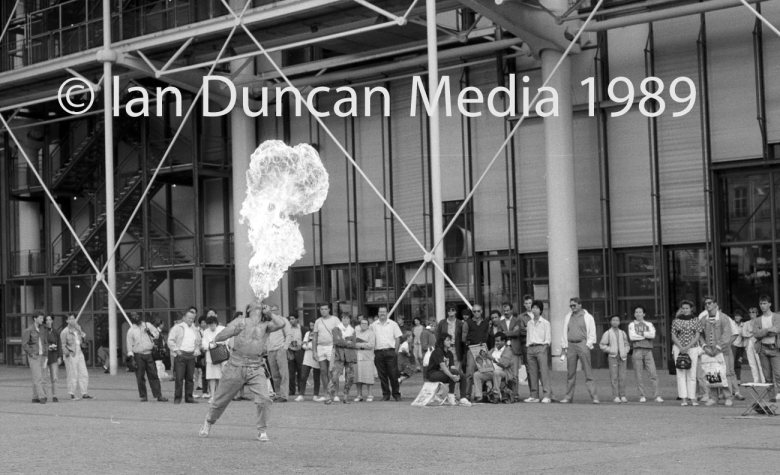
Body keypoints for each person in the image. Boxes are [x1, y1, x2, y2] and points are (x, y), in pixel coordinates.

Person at [199, 302, 287, 442]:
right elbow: (223, 334)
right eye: (256, 306)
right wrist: (230, 332)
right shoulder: (240, 321)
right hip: (236, 364)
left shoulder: (267, 325)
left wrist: (270, 314)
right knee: (221, 399)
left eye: (261, 306)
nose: (260, 306)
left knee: (264, 399)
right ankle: (208, 421)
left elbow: (281, 323)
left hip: (255, 365)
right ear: (249, 310)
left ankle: (262, 430)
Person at [560, 297, 599, 404]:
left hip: (582, 344)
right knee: (570, 373)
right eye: (571, 306)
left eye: (574, 305)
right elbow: (564, 332)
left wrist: (588, 345)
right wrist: (564, 347)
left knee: (588, 372)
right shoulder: (568, 316)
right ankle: (568, 397)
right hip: (571, 345)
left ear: (580, 305)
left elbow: (592, 332)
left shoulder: (588, 317)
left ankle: (594, 396)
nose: (572, 307)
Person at [700, 299, 735, 406]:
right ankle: (713, 397)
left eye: (710, 303)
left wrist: (718, 347)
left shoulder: (724, 318)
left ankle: (728, 397)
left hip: (722, 351)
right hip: (709, 350)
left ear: (716, 304)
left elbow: (727, 334)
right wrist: (704, 346)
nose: (707, 305)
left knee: (725, 373)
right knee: (711, 373)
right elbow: (699, 334)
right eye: (706, 303)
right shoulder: (703, 319)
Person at [126, 313, 167, 402]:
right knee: (140, 377)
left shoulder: (147, 325)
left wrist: (149, 331)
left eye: (137, 316)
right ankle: (143, 396)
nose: (136, 317)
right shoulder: (131, 331)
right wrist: (131, 358)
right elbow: (129, 347)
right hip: (138, 355)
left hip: (149, 354)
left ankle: (158, 395)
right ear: (131, 319)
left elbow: (157, 334)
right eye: (133, 317)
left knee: (154, 375)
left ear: (140, 317)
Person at [167, 306, 202, 404]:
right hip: (181, 355)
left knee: (190, 378)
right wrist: (176, 350)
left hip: (191, 356)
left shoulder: (195, 329)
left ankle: (189, 397)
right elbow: (170, 340)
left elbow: (199, 341)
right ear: (184, 318)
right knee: (179, 378)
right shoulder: (177, 327)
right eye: (189, 318)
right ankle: (177, 398)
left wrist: (197, 349)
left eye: (193, 318)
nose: (191, 320)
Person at [628, 306, 663, 403]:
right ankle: (641, 395)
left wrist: (640, 333)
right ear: (634, 314)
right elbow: (632, 337)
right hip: (637, 350)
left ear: (644, 314)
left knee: (653, 374)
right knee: (638, 374)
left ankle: (657, 396)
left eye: (640, 312)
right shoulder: (631, 324)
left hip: (648, 351)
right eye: (636, 312)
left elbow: (652, 335)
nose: (638, 314)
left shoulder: (649, 324)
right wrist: (646, 334)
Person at [671, 300, 702, 406]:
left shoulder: (696, 320)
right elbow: (673, 335)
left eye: (687, 308)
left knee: (692, 373)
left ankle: (692, 397)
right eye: (683, 308)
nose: (685, 310)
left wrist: (687, 347)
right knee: (680, 373)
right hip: (678, 348)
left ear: (691, 309)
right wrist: (681, 347)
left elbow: (697, 335)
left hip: (692, 348)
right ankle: (683, 398)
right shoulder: (676, 320)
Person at [436, 304, 468, 403]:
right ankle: (441, 394)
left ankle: (455, 394)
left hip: (456, 350)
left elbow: (463, 338)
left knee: (456, 372)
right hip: (445, 350)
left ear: (456, 311)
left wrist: (464, 352)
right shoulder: (442, 323)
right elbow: (438, 336)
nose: (451, 311)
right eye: (449, 310)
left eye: (453, 309)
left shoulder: (460, 323)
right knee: (443, 370)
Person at [371, 305, 403, 401]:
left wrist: (395, 351)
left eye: (384, 312)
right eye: (380, 312)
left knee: (393, 375)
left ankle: (396, 394)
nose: (382, 313)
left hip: (390, 351)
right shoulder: (373, 325)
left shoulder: (393, 324)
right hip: (378, 352)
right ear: (378, 313)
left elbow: (398, 338)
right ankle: (386, 395)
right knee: (382, 375)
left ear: (387, 313)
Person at [426, 334, 466, 406]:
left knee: (462, 376)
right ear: (442, 342)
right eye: (447, 340)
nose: (450, 342)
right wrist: (452, 376)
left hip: (444, 373)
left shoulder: (450, 353)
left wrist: (457, 375)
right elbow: (443, 366)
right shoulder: (437, 351)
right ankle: (451, 396)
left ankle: (463, 398)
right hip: (433, 374)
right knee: (453, 373)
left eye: (450, 340)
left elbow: (452, 367)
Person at [311, 302, 340, 403]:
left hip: (332, 347)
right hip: (320, 347)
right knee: (323, 371)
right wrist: (314, 351)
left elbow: (339, 334)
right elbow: (315, 337)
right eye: (321, 309)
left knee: (333, 371)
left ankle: (335, 393)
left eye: (325, 309)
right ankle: (326, 393)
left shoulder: (335, 319)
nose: (323, 311)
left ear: (329, 310)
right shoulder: (318, 321)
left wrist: (338, 348)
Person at [472, 332, 513, 403]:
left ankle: (496, 395)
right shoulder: (493, 349)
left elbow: (505, 364)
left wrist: (493, 359)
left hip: (503, 373)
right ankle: (479, 396)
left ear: (504, 341)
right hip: (491, 372)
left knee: (496, 372)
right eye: (495, 341)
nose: (496, 343)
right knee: (477, 374)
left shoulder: (508, 350)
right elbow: (486, 360)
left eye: (498, 341)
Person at [326, 313, 357, 404]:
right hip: (338, 355)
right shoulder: (336, 329)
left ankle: (345, 396)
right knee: (334, 376)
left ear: (349, 319)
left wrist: (343, 341)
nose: (345, 320)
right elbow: (336, 341)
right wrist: (347, 342)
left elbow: (354, 343)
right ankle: (329, 397)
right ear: (341, 319)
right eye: (343, 318)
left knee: (350, 377)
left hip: (350, 356)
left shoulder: (352, 330)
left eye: (347, 318)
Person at [525, 300, 552, 403]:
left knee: (544, 372)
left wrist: (544, 347)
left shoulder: (545, 323)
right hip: (530, 348)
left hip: (541, 347)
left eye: (536, 308)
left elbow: (548, 338)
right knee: (532, 373)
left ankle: (547, 395)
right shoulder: (529, 323)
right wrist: (528, 347)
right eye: (533, 308)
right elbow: (528, 336)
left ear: (540, 310)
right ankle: (534, 395)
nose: (534, 310)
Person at [754, 295, 780, 402]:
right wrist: (768, 330)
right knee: (767, 377)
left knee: (778, 374)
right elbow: (756, 334)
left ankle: (779, 395)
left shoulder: (776, 317)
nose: (762, 306)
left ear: (770, 304)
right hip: (763, 349)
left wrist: (763, 331)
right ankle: (772, 399)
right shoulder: (757, 319)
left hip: (774, 348)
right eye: (761, 303)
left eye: (764, 303)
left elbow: (776, 330)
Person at [463, 304, 491, 402]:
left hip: (482, 349)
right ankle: (467, 394)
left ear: (482, 311)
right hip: (471, 349)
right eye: (474, 311)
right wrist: (469, 342)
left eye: (478, 311)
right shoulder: (468, 322)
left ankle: (481, 394)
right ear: (472, 312)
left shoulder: (486, 322)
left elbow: (487, 335)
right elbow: (464, 336)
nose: (476, 313)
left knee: (484, 372)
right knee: (469, 373)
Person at [60, 314, 92, 400]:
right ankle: (72, 393)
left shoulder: (78, 329)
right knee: (72, 374)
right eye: (70, 319)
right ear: (67, 321)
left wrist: (80, 331)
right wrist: (68, 354)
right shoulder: (64, 332)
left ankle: (84, 392)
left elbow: (84, 338)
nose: (72, 320)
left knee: (84, 373)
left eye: (73, 318)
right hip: (71, 353)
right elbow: (63, 345)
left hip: (79, 352)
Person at [600, 315, 630, 404]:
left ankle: (623, 395)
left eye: (617, 320)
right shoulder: (607, 333)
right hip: (613, 357)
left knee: (623, 377)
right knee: (614, 377)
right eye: (613, 320)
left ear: (619, 322)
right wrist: (611, 350)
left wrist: (625, 351)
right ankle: (616, 396)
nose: (615, 322)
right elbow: (602, 345)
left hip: (622, 358)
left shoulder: (623, 333)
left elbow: (627, 344)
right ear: (610, 322)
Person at [504, 301, 528, 402]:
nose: (506, 312)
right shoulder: (501, 322)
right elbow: (501, 334)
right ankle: (506, 393)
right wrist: (511, 332)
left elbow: (517, 333)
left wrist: (506, 333)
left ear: (511, 310)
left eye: (508, 310)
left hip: (514, 349)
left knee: (515, 374)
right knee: (505, 372)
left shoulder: (517, 320)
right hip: (505, 350)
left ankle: (515, 394)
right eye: (504, 310)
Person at [22, 312, 48, 404]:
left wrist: (46, 353)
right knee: (38, 377)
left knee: (37, 377)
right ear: (35, 319)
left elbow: (44, 342)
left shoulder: (42, 329)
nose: (42, 320)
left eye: (42, 318)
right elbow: (24, 345)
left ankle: (35, 397)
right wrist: (31, 353)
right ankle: (42, 396)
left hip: (42, 355)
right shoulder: (29, 330)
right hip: (34, 356)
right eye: (40, 318)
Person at [201, 315, 226, 403]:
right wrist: (211, 345)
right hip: (210, 357)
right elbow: (204, 344)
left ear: (216, 323)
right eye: (210, 325)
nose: (211, 327)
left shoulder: (222, 329)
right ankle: (212, 395)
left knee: (220, 377)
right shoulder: (205, 332)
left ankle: (219, 396)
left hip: (221, 356)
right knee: (211, 377)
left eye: (213, 325)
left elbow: (227, 340)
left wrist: (217, 344)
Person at [267, 311, 291, 402]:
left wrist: (285, 347)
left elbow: (289, 334)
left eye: (273, 310)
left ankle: (284, 395)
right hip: (270, 350)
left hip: (280, 349)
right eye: (270, 310)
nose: (271, 312)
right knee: (274, 374)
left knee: (283, 373)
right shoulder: (268, 322)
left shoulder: (283, 320)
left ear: (277, 310)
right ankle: (278, 394)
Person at [296, 320, 321, 402]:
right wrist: (310, 345)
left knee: (316, 377)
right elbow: (303, 345)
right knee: (303, 376)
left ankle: (315, 395)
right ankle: (301, 394)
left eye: (313, 325)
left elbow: (319, 345)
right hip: (307, 357)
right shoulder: (307, 333)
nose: (312, 327)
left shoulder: (320, 333)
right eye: (310, 325)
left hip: (316, 357)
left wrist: (309, 345)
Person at [354, 316, 375, 402]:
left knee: (368, 376)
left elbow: (371, 345)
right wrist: (363, 344)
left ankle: (370, 394)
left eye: (365, 323)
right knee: (358, 376)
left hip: (367, 357)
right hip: (357, 357)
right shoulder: (356, 333)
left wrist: (359, 345)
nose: (363, 325)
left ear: (368, 325)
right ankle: (359, 394)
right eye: (362, 323)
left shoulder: (371, 333)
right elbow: (353, 344)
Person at [742, 307, 765, 384]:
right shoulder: (746, 323)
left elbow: (762, 333)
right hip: (748, 344)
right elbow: (743, 334)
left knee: (760, 362)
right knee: (752, 363)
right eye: (750, 312)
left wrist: (751, 333)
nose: (751, 314)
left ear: (757, 313)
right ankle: (756, 380)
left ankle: (763, 379)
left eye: (753, 312)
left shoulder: (760, 322)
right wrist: (753, 333)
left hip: (757, 343)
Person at [44, 315, 62, 403]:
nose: (48, 321)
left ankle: (55, 395)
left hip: (54, 356)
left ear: (52, 321)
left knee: (54, 377)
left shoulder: (56, 332)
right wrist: (48, 347)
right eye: (46, 320)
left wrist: (59, 356)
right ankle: (45, 395)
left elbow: (59, 344)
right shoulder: (43, 331)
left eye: (50, 319)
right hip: (45, 357)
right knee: (45, 377)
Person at [287, 315, 304, 398]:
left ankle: (301, 390)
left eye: (293, 319)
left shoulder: (302, 328)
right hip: (290, 351)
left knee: (301, 371)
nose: (291, 320)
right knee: (291, 372)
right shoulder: (287, 329)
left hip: (300, 351)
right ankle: (291, 390)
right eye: (290, 319)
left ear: (297, 319)